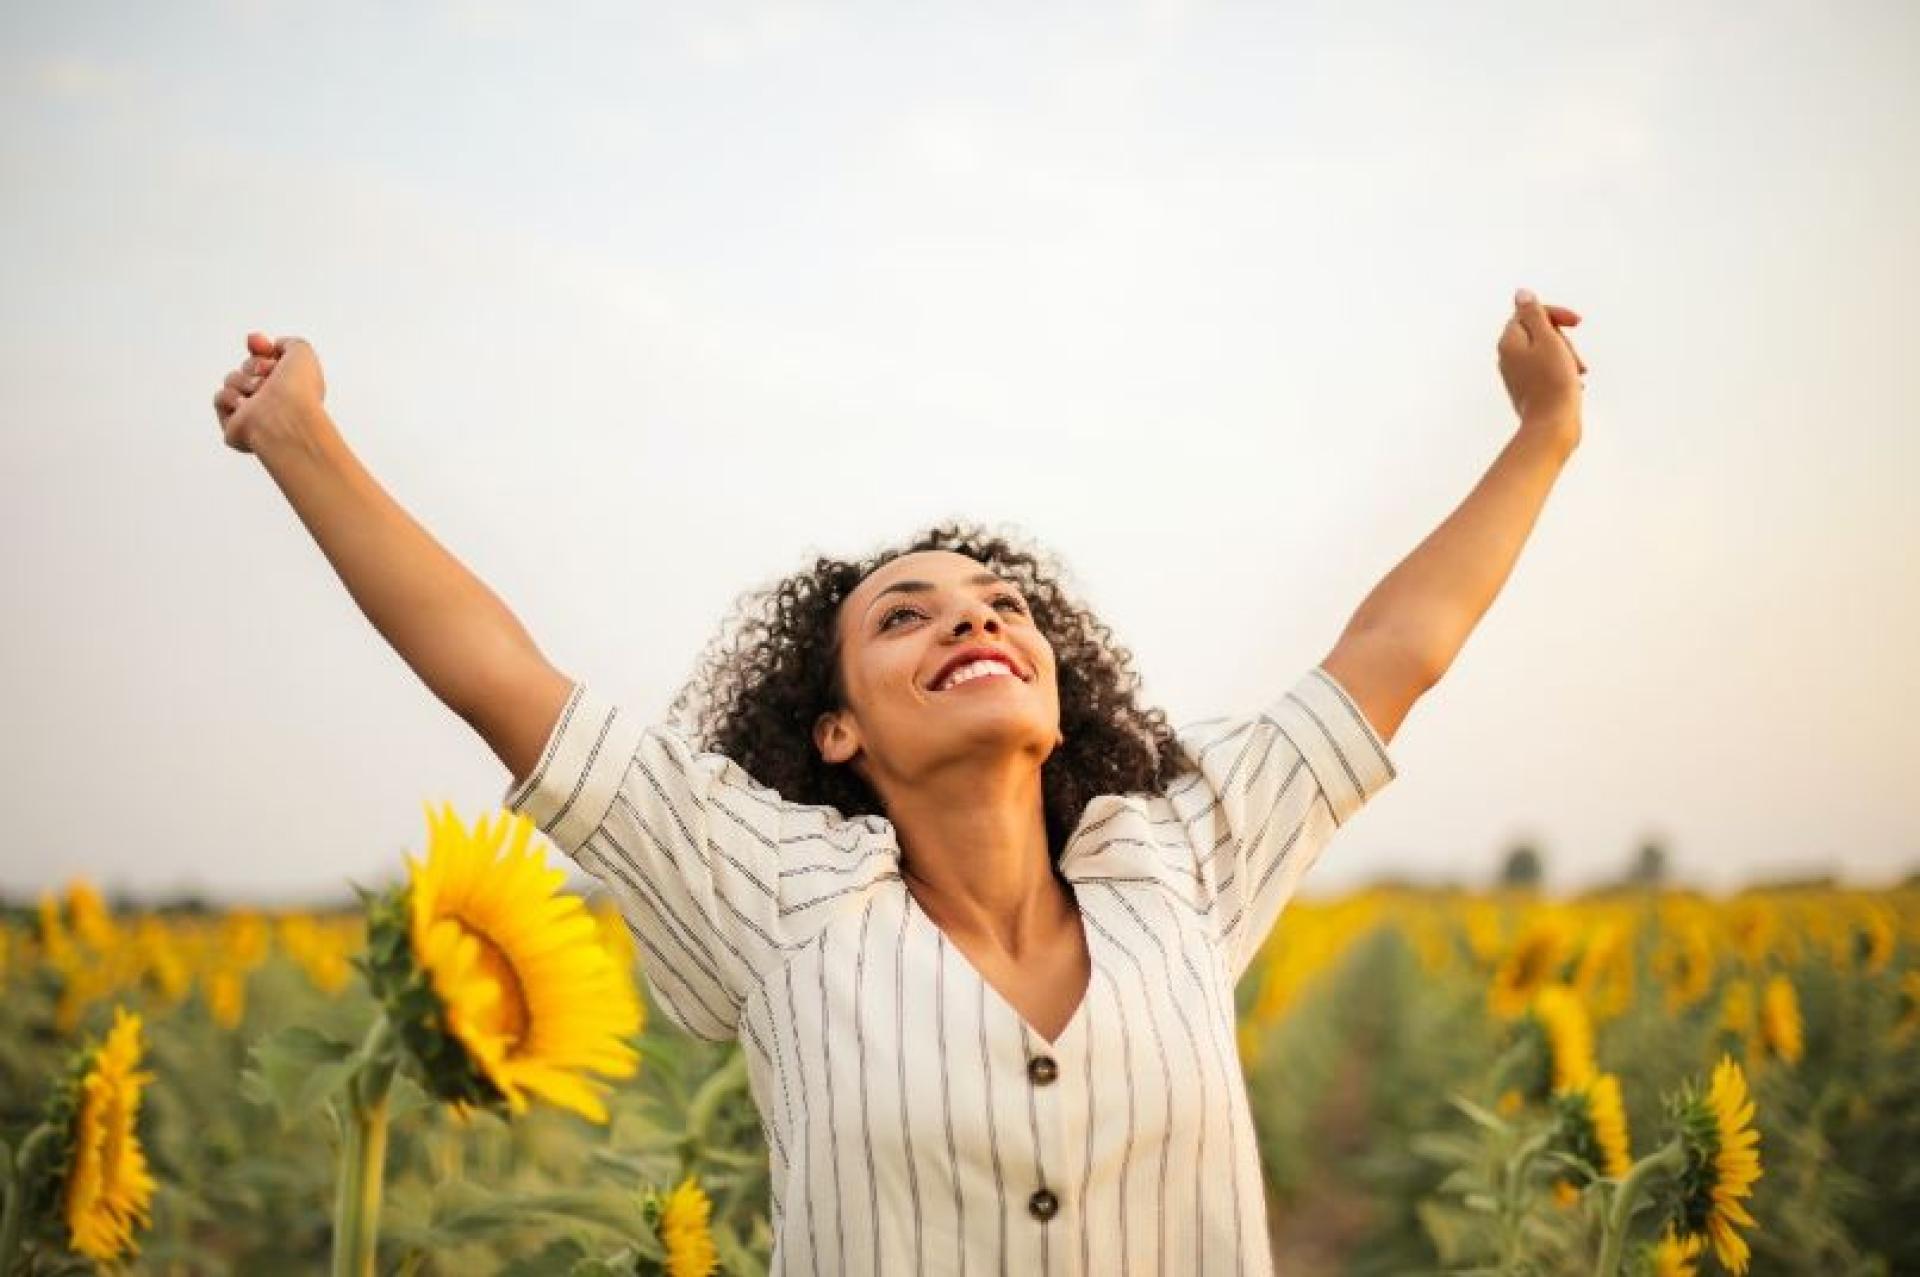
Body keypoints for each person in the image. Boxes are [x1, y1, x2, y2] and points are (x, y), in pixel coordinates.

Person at [209, 289, 1586, 1275]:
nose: (974, 621)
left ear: (1059, 691)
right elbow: (500, 679)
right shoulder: (774, 899)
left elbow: (1396, 651)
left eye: (1000, 605)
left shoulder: (1177, 859)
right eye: (905, 617)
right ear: (835, 733)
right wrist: (301, 438)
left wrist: (1543, 435)